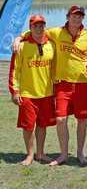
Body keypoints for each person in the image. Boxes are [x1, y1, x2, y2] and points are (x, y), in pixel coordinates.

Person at [13, 6, 87, 166]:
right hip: (62, 84)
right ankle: (63, 154)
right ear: (68, 16)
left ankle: (80, 153)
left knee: (82, 120)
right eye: (74, 16)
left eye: (80, 16)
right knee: (60, 119)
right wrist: (19, 37)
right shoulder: (56, 32)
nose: (76, 19)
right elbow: (37, 32)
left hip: (82, 84)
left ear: (83, 18)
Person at [8, 15, 56, 166]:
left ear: (45, 27)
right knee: (28, 126)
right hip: (27, 94)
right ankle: (29, 154)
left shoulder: (52, 45)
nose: (38, 28)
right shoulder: (21, 46)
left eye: (41, 25)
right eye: (35, 25)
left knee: (42, 125)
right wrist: (15, 91)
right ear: (30, 27)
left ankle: (40, 153)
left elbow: (54, 70)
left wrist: (55, 90)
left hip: (46, 93)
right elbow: (14, 71)